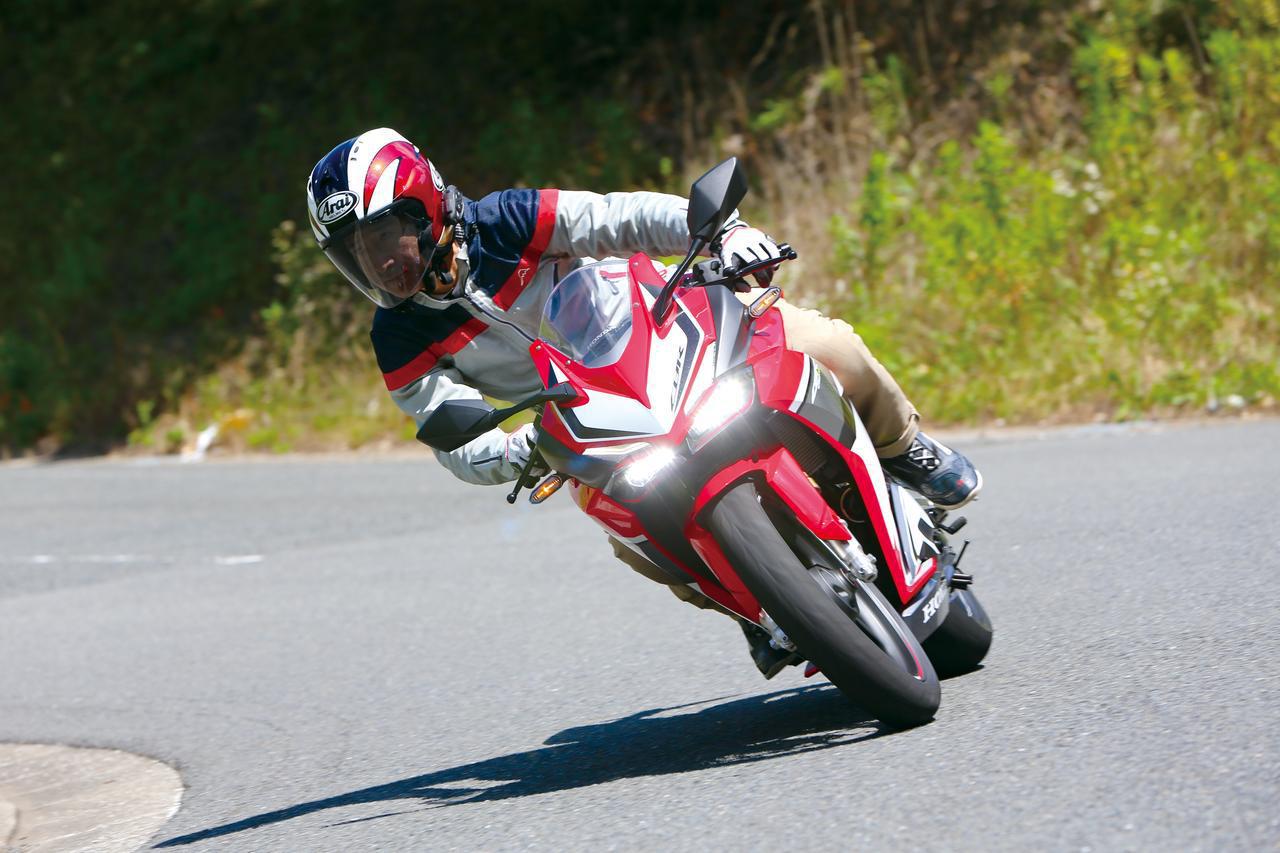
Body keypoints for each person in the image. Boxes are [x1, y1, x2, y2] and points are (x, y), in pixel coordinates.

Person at [307, 127, 982, 678]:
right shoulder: (396, 334)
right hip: (589, 423)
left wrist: (722, 234)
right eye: (355, 255)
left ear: (423, 208)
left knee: (830, 345)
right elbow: (444, 425)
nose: (378, 265)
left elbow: (617, 217)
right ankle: (766, 609)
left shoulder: (506, 220)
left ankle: (906, 447)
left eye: (382, 237)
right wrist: (513, 451)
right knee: (629, 536)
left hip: (672, 327)